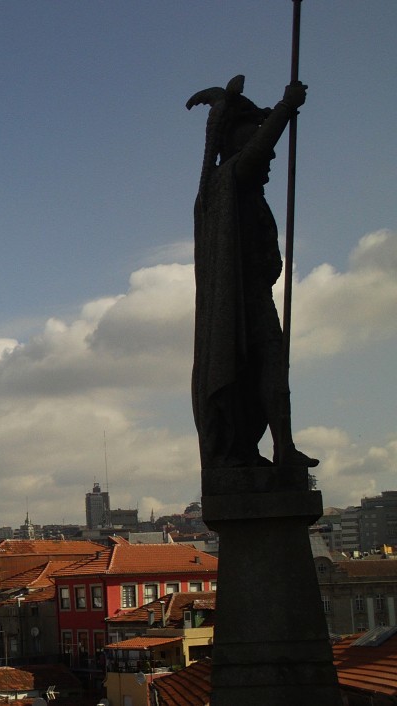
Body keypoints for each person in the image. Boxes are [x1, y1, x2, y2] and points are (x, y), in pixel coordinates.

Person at [187, 75, 318, 470]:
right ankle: (266, 448)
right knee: (266, 363)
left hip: (257, 295)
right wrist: (286, 107)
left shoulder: (238, 191)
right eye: (252, 141)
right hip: (239, 304)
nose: (271, 161)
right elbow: (258, 154)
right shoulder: (225, 181)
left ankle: (282, 448)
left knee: (272, 365)